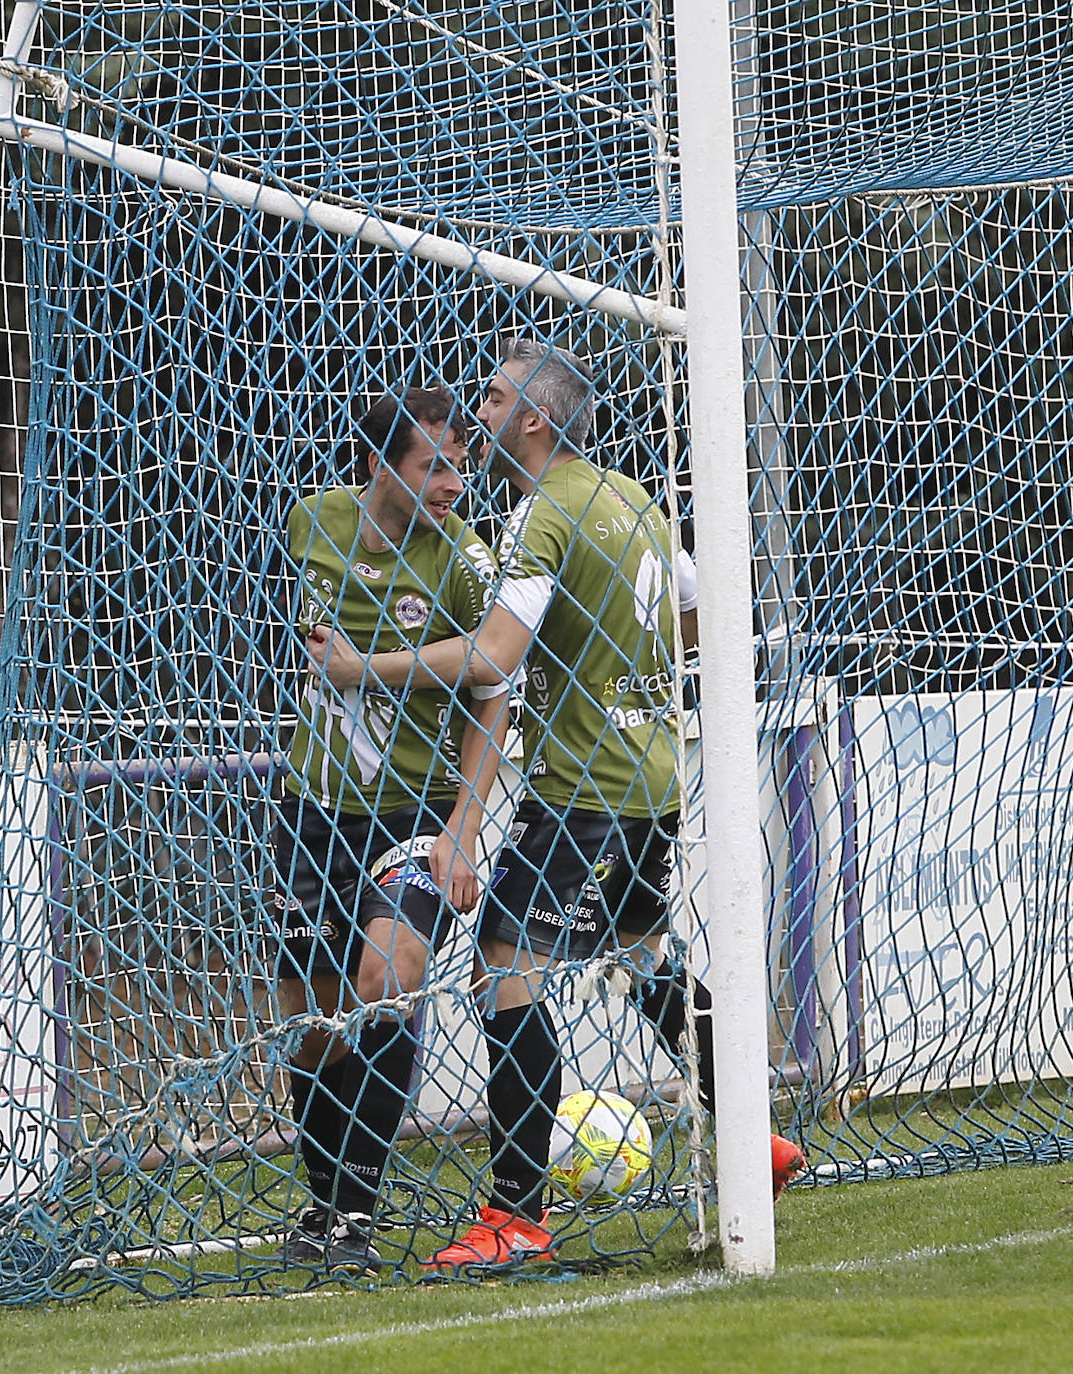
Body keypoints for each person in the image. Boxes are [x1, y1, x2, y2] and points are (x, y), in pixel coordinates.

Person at [310, 339, 805, 1272]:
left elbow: (493, 658)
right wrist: (608, 647)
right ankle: (755, 1145)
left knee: (506, 964)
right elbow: (698, 610)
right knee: (640, 958)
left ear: (532, 420)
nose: (476, 420)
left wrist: (358, 668)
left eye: (492, 402)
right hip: (652, 776)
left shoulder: (542, 513)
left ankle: (515, 1217)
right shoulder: (630, 499)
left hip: (587, 791)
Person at [275, 385, 510, 1278]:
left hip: (413, 813)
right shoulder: (313, 521)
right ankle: (321, 1199)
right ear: (378, 466)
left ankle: (357, 1216)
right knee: (310, 1020)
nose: (453, 481)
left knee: (387, 978)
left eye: (460, 462)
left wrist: (462, 825)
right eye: (433, 465)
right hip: (312, 809)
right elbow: (309, 629)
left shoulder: (461, 557)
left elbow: (492, 686)